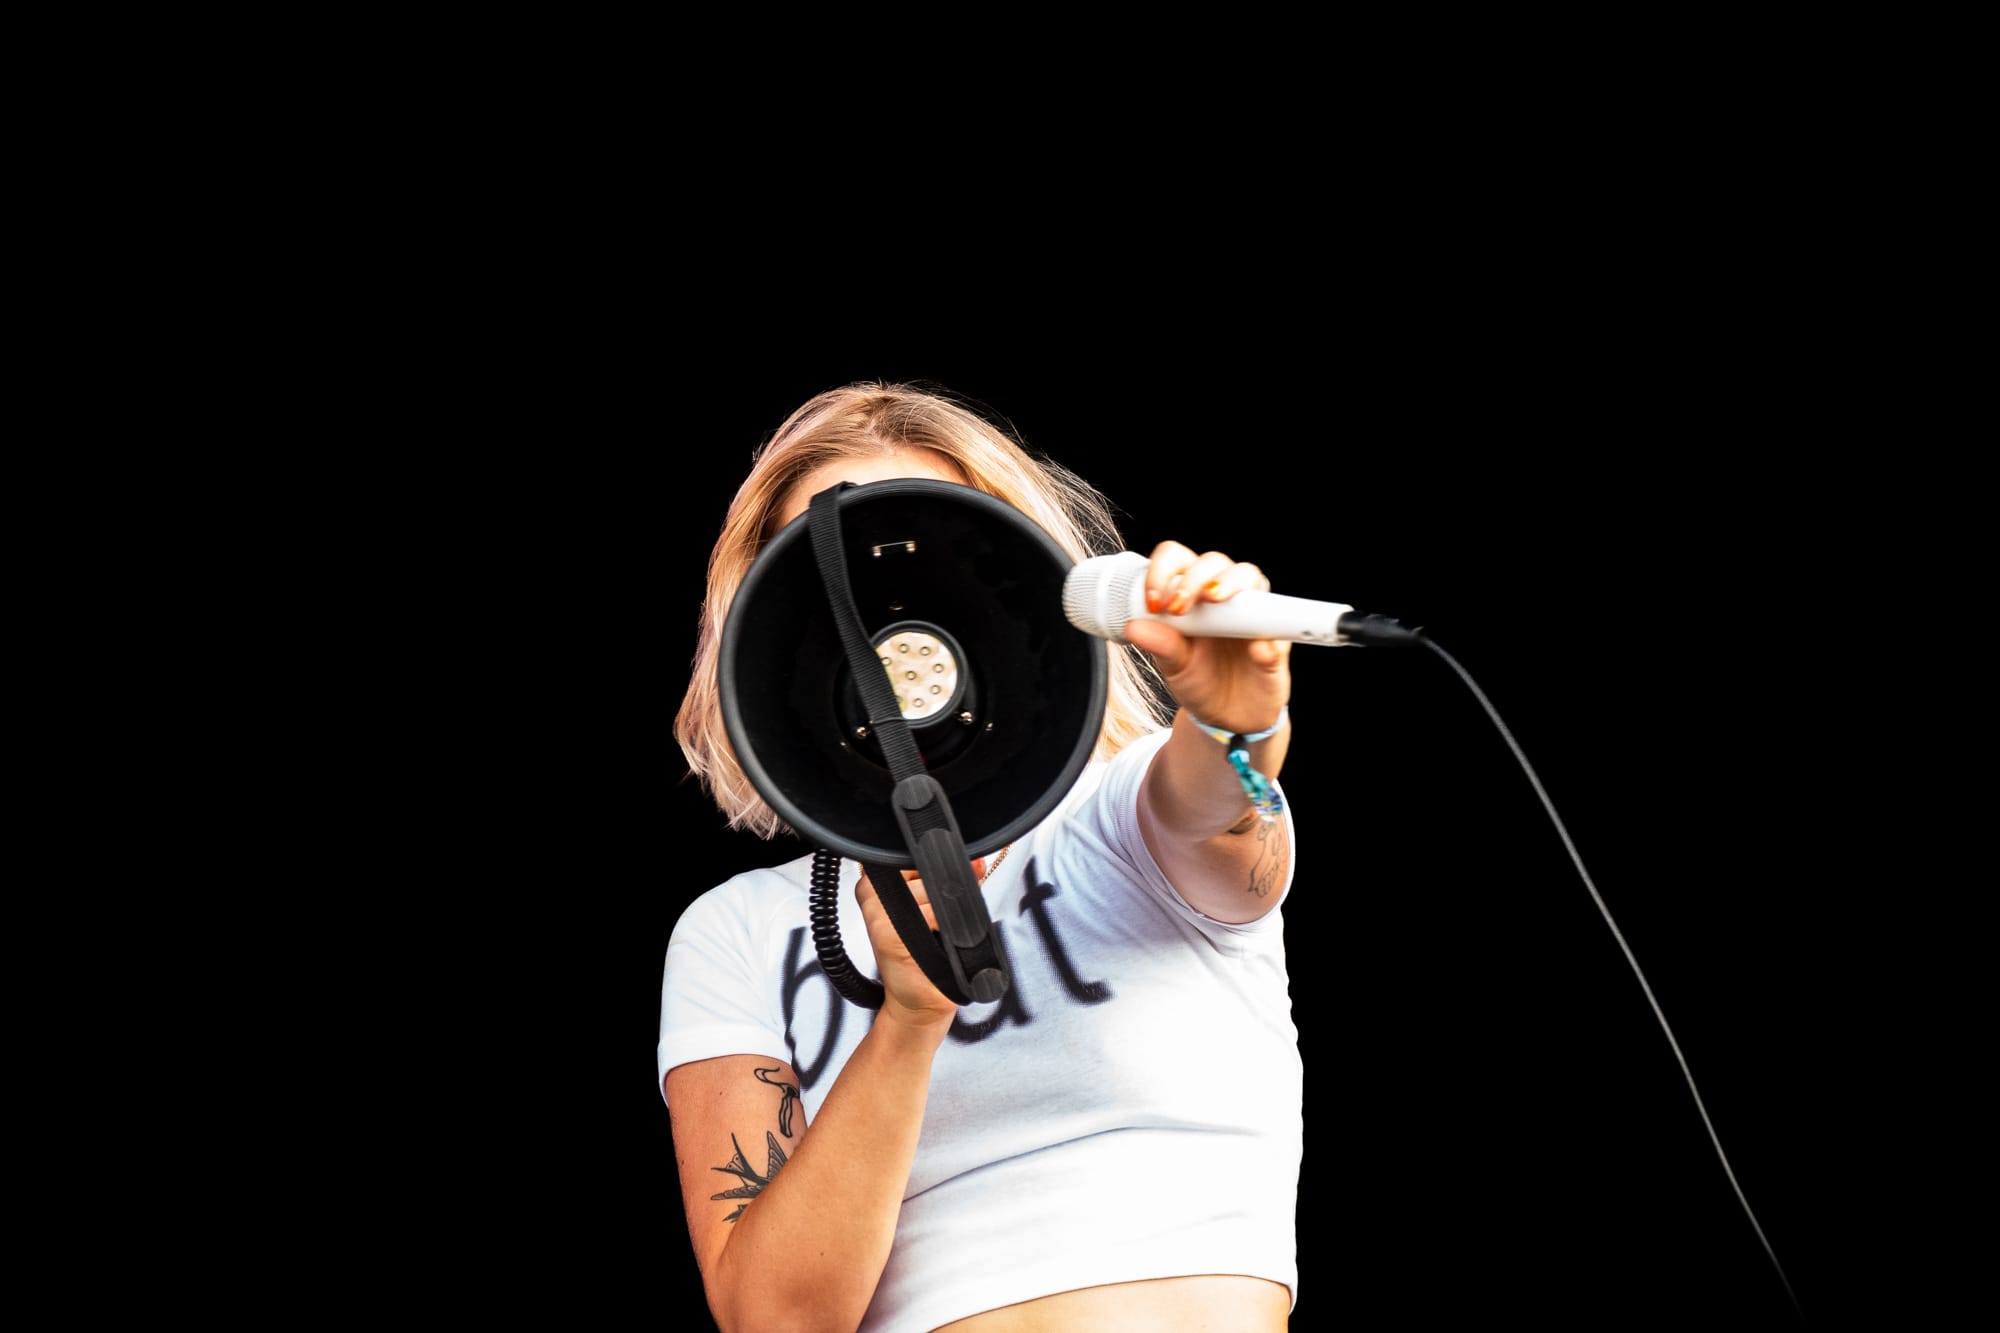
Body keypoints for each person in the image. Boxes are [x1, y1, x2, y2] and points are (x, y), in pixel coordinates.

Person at [660, 380, 1301, 1332]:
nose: (884, 609)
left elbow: (1216, 809)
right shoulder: (738, 931)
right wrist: (908, 1021)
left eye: (931, 541)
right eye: (829, 573)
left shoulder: (1121, 815)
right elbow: (778, 1317)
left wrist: (1233, 725)